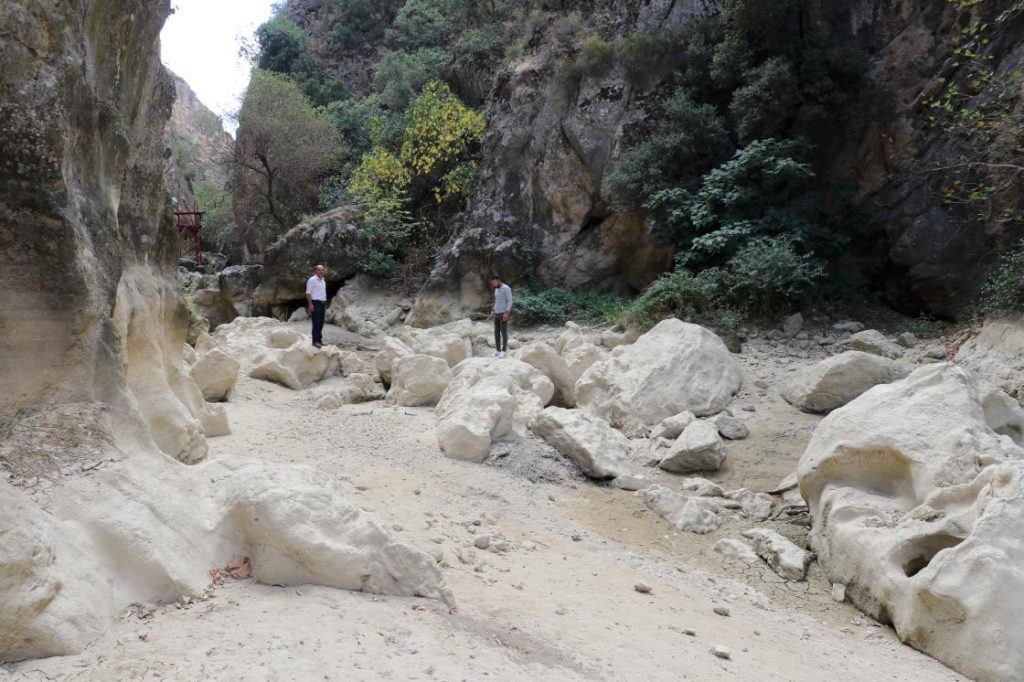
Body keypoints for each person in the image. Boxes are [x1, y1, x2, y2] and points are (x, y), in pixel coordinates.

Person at [489, 275, 512, 358]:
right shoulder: (496, 289)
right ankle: (497, 350)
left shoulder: (506, 288)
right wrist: (493, 310)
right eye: (492, 284)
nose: (494, 285)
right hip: (497, 314)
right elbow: (497, 301)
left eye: (494, 283)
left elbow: (510, 301)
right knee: (496, 333)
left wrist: (507, 312)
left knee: (503, 332)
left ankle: (504, 351)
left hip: (503, 313)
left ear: (499, 280)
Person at [305, 264, 327, 348]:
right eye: (319, 270)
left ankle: (319, 340)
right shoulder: (312, 280)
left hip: (322, 303)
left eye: (322, 270)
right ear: (315, 271)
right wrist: (310, 304)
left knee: (321, 322)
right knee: (316, 323)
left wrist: (324, 303)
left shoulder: (323, 280)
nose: (321, 271)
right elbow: (308, 293)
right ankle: (315, 341)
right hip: (315, 303)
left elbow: (322, 293)